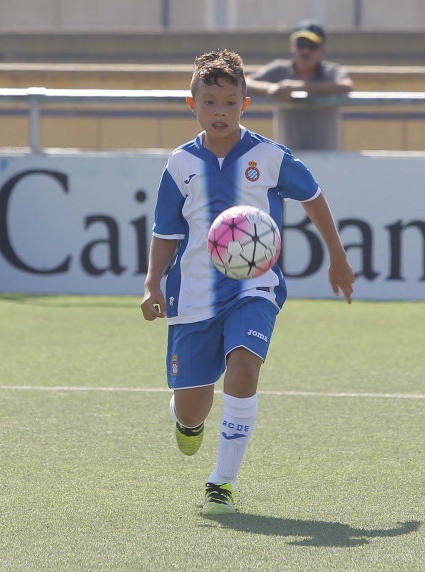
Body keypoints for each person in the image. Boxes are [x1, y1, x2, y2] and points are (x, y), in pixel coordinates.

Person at [140, 49, 355, 516]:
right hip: (193, 293)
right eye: (210, 102)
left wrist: (337, 257)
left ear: (245, 104)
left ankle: (222, 482)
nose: (220, 112)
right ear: (191, 103)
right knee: (192, 408)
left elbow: (314, 196)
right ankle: (188, 422)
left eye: (230, 102)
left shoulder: (268, 156)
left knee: (243, 370)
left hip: (255, 286)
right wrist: (152, 283)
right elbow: (166, 231)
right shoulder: (180, 164)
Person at [245, 20, 354, 151]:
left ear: (323, 50)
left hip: (326, 157)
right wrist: (269, 89)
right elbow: (245, 81)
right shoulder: (280, 69)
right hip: (288, 157)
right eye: (301, 45)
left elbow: (347, 86)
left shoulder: (331, 71)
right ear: (292, 47)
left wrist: (302, 86)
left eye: (312, 46)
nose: (305, 51)